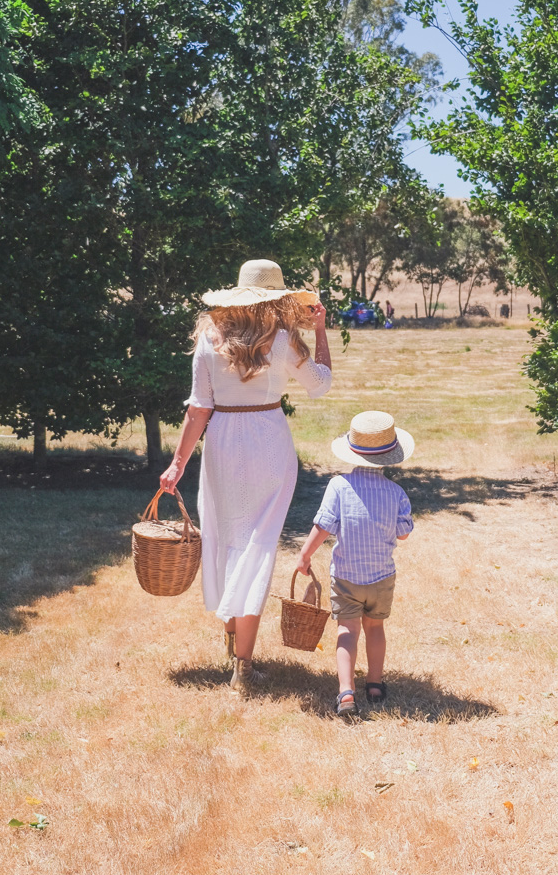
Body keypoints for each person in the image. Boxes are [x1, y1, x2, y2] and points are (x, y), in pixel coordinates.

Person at [159, 260, 331, 696]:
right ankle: (244, 666)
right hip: (269, 444)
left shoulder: (209, 339)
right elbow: (321, 383)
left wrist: (178, 463)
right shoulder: (283, 341)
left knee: (227, 539)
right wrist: (321, 332)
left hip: (222, 444)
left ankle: (235, 643)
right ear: (276, 299)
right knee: (256, 547)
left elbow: (198, 408)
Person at [295, 410, 414, 719]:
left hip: (346, 577)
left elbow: (323, 526)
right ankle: (374, 685)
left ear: (352, 450)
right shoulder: (397, 493)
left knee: (347, 631)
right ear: (390, 456)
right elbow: (403, 534)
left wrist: (305, 555)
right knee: (375, 628)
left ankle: (346, 692)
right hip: (381, 578)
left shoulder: (338, 486)